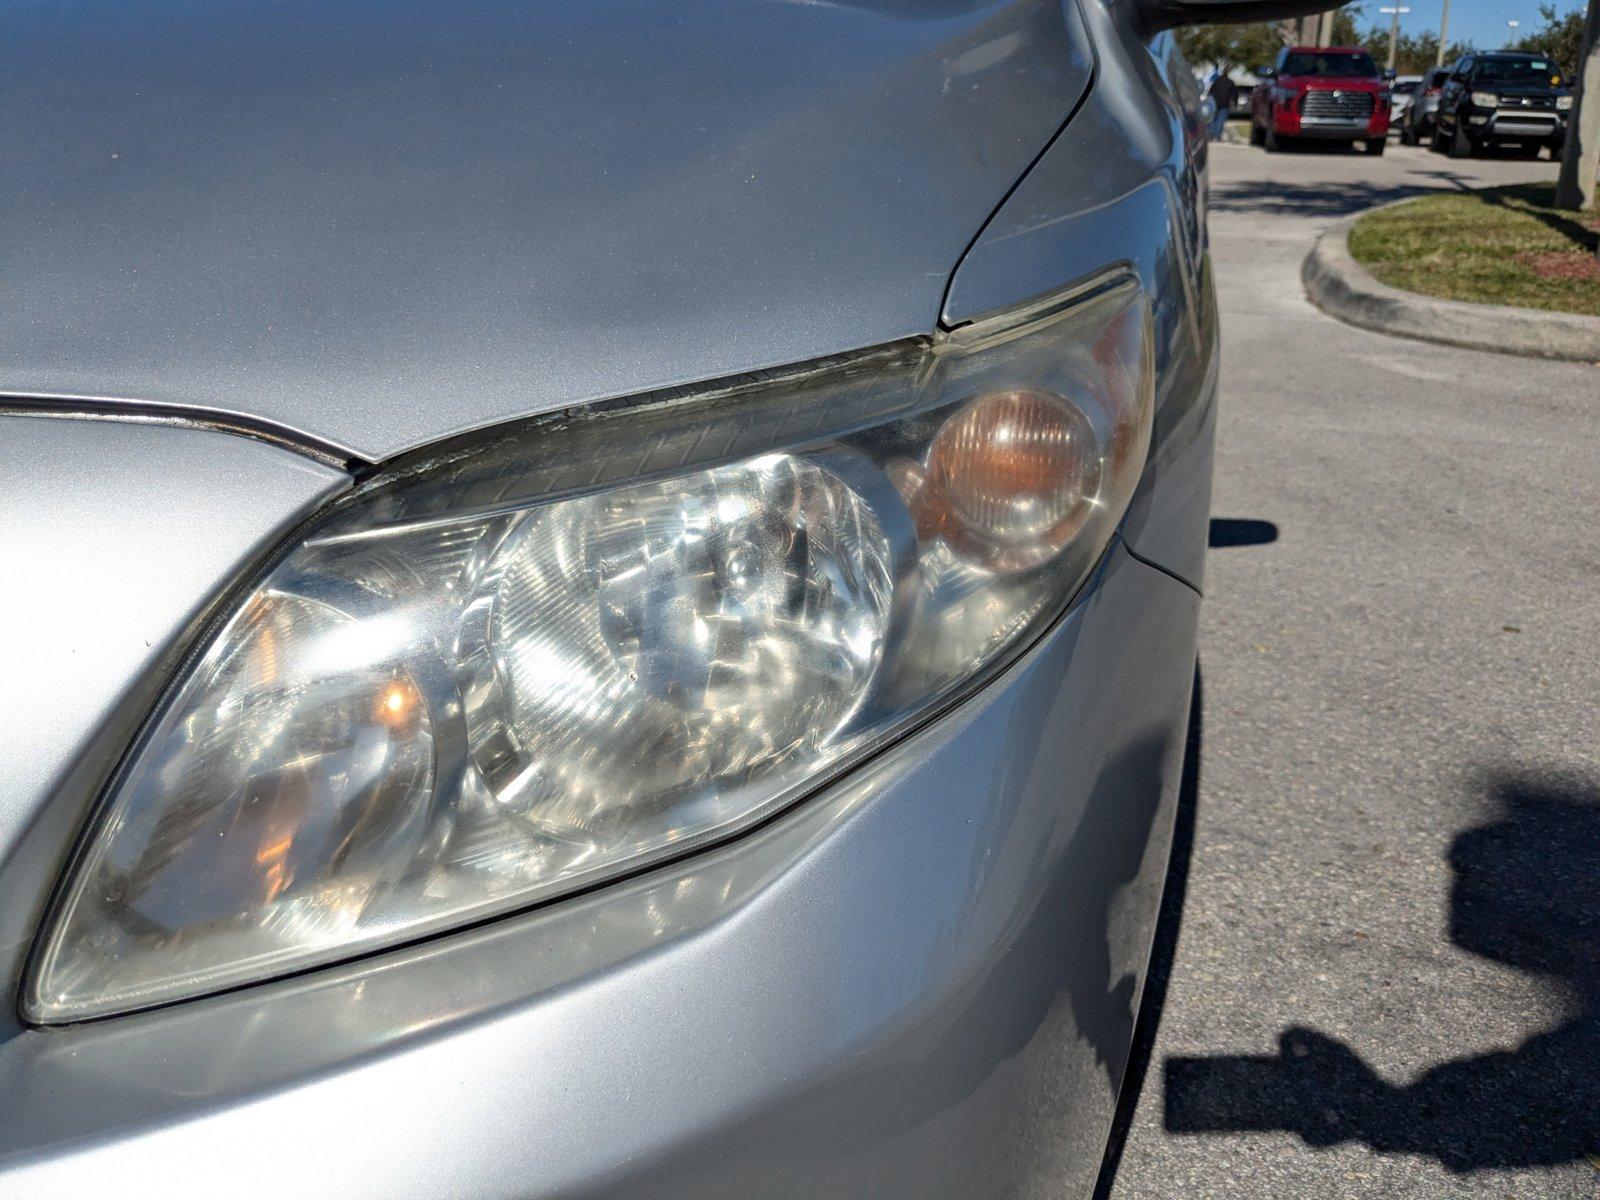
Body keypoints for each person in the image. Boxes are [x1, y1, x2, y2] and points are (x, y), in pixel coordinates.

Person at [1206, 72, 1238, 140]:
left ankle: (1210, 135)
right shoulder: (1230, 82)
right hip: (1225, 103)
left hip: (1215, 103)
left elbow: (1210, 92)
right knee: (1221, 120)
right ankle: (1217, 136)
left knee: (1212, 119)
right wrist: (1235, 103)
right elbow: (1234, 94)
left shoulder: (1216, 81)